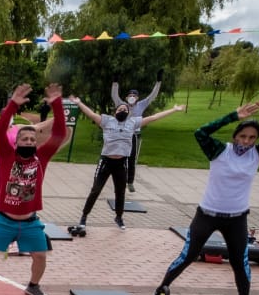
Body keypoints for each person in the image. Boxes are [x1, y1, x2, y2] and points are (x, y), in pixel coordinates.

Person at [152, 100, 259, 295]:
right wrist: (233, 116)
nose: (247, 142)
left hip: (237, 219)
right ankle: (161, 288)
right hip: (207, 214)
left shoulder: (258, 154)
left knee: (241, 263)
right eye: (243, 136)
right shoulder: (219, 150)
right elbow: (201, 132)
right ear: (235, 136)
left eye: (251, 138)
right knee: (188, 255)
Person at [0, 84, 67, 295]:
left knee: (40, 256)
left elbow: (59, 134)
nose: (28, 142)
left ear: (36, 143)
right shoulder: (8, 156)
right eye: (24, 140)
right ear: (15, 142)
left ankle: (33, 286)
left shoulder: (42, 158)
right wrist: (12, 105)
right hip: (4, 220)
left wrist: (56, 104)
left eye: (32, 140)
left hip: (30, 222)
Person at [70, 95, 184, 232]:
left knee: (120, 192)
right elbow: (91, 114)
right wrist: (79, 102)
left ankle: (118, 217)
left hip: (121, 163)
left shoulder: (133, 123)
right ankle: (84, 217)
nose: (123, 110)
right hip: (106, 162)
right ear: (115, 112)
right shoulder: (107, 121)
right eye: (120, 109)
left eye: (125, 109)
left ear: (129, 113)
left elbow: (153, 117)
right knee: (95, 190)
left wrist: (174, 109)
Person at [111, 71, 163, 192]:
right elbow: (114, 95)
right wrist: (115, 82)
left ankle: (130, 182)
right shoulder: (122, 105)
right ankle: (119, 180)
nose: (132, 98)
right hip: (122, 134)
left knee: (132, 159)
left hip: (134, 135)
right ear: (126, 97)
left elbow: (153, 95)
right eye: (130, 96)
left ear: (137, 98)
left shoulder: (141, 105)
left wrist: (158, 81)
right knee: (120, 158)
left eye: (134, 96)